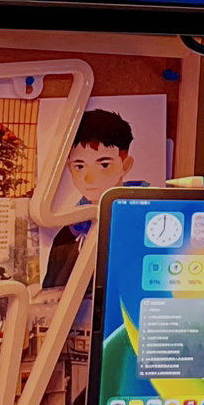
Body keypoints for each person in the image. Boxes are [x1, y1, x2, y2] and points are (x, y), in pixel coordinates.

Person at [40, 108, 135, 293]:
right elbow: (51, 293)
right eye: (79, 166)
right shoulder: (67, 235)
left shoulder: (141, 223)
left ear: (125, 165)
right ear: (69, 168)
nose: (89, 179)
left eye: (104, 165)